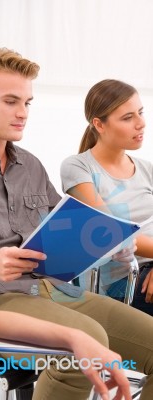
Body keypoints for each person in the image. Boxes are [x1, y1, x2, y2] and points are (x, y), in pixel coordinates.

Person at [0, 49, 153, 400]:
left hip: (57, 291)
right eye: (11, 101)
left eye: (27, 103)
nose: (22, 113)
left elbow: (64, 227)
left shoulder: (31, 166)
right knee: (87, 343)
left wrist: (107, 240)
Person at [60, 78, 153, 316]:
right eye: (127, 117)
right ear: (99, 124)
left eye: (140, 112)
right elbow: (112, 233)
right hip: (123, 283)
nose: (141, 123)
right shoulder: (78, 167)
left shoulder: (147, 170)